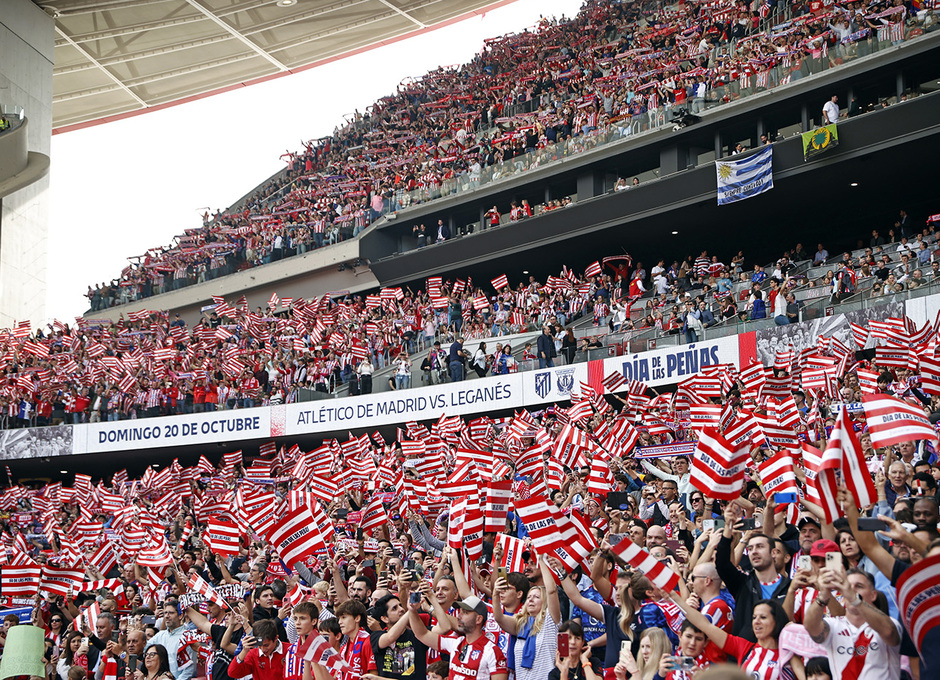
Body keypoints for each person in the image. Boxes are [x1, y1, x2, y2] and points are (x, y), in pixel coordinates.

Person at [803, 564, 901, 680]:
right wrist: (824, 595)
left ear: (873, 595)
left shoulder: (890, 623)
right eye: (848, 586)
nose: (851, 590)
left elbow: (889, 632)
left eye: (859, 586)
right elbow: (810, 626)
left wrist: (855, 599)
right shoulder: (834, 625)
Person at [409, 594, 508, 680]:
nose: (459, 616)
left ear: (478, 619)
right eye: (460, 612)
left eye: (465, 612)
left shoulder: (492, 651)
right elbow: (422, 634)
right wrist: (412, 611)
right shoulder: (456, 642)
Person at [493, 558, 562, 680]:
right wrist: (495, 593)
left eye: (536, 597)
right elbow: (499, 618)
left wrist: (540, 559)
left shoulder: (550, 620)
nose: (530, 599)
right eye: (529, 596)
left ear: (545, 602)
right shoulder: (521, 623)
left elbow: (551, 591)